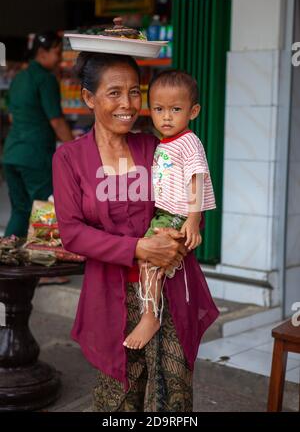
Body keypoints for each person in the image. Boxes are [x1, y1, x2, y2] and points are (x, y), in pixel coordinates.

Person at [52, 52, 219, 412]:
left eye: (134, 92)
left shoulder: (154, 146)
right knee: (120, 397)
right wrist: (140, 248)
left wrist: (177, 238)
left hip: (170, 288)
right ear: (88, 98)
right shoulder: (70, 158)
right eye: (114, 93)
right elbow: (72, 233)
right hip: (111, 292)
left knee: (173, 393)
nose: (127, 104)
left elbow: (184, 201)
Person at [124, 70, 216, 350]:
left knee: (149, 262)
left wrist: (193, 218)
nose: (166, 117)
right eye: (159, 109)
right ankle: (157, 296)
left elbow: (197, 178)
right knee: (149, 261)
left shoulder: (189, 142)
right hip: (165, 213)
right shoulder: (166, 142)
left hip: (176, 214)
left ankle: (150, 316)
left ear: (194, 111)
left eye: (175, 109)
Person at [2, 31, 73, 284]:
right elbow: (56, 120)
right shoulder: (45, 79)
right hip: (34, 155)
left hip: (11, 153)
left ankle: (5, 259)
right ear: (42, 53)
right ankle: (42, 268)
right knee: (43, 207)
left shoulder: (19, 77)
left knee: (21, 209)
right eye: (57, 51)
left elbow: (11, 116)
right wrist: (75, 148)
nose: (60, 57)